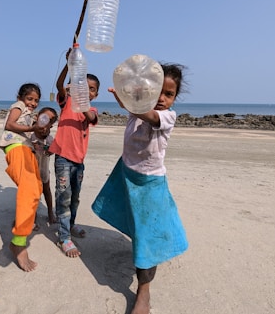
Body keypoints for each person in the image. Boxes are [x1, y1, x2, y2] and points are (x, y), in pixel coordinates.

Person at [91, 63, 189, 314]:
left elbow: (149, 115)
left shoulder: (167, 116)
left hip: (149, 184)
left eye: (169, 94)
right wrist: (121, 97)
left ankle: (143, 292)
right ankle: (139, 243)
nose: (162, 99)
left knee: (148, 239)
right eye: (158, 92)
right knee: (135, 225)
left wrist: (130, 100)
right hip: (125, 172)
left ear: (175, 98)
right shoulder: (138, 108)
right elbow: (133, 109)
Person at [48, 62, 100, 258]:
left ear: (95, 94)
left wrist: (81, 97)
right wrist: (69, 67)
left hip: (79, 161)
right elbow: (60, 84)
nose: (87, 91)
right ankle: (63, 237)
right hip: (63, 158)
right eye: (84, 87)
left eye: (92, 89)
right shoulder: (66, 102)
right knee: (64, 197)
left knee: (75, 197)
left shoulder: (92, 110)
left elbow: (91, 117)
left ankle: (70, 224)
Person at [0, 83, 50, 272]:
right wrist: (32, 128)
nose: (33, 103)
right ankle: (19, 243)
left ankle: (21, 222)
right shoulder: (18, 106)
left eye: (36, 100)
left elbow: (33, 130)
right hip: (16, 147)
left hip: (26, 149)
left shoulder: (29, 113)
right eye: (30, 99)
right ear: (20, 97)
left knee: (36, 188)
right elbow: (9, 125)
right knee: (29, 190)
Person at [31, 107, 59, 226]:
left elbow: (54, 150)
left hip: (44, 169)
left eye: (49, 124)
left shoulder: (49, 139)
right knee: (33, 193)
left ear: (51, 127)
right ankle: (33, 215)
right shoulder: (31, 135)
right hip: (31, 171)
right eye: (44, 119)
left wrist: (50, 150)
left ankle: (50, 212)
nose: (44, 128)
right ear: (37, 118)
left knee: (46, 190)